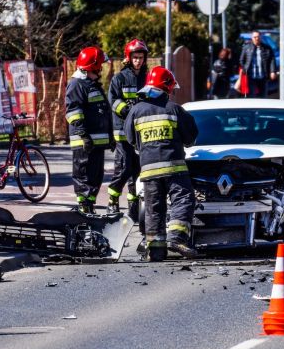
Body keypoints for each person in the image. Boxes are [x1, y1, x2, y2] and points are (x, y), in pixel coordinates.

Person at [124, 66, 199, 262]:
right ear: (166, 88)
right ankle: (176, 238)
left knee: (153, 209)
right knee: (183, 199)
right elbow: (190, 137)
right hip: (175, 169)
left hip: (148, 171)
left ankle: (156, 250)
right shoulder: (174, 109)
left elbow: (130, 139)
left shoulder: (135, 111)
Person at [65, 46, 114, 214]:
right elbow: (73, 112)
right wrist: (83, 134)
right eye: (99, 66)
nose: (101, 69)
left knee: (95, 177)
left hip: (97, 143)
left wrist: (110, 137)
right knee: (83, 176)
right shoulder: (77, 84)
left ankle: (89, 207)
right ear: (92, 67)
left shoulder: (91, 84)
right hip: (84, 141)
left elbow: (103, 112)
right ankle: (83, 208)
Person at [106, 39, 148, 220]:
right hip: (122, 132)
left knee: (137, 171)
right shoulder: (119, 78)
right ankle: (112, 200)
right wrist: (127, 109)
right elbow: (113, 100)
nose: (138, 61)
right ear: (128, 58)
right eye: (135, 57)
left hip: (141, 132)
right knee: (125, 168)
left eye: (141, 57)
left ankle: (133, 206)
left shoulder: (147, 78)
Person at [239, 31, 277, 98]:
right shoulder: (246, 48)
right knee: (252, 96)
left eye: (258, 37)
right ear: (252, 38)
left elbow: (272, 60)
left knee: (263, 97)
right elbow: (241, 60)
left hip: (263, 76)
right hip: (251, 77)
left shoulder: (267, 48)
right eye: (255, 37)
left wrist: (272, 71)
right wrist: (245, 68)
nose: (257, 39)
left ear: (261, 37)